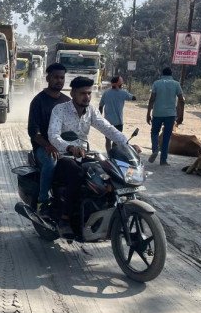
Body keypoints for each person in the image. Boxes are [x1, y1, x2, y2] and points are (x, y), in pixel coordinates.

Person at [48, 76, 141, 236]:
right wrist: (70, 147)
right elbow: (53, 135)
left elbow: (108, 128)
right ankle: (65, 218)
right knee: (77, 174)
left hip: (85, 154)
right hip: (64, 156)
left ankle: (101, 212)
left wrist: (127, 144)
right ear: (73, 93)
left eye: (89, 93)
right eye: (82, 93)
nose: (87, 97)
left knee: (108, 173)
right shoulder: (60, 110)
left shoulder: (90, 110)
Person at [27, 63, 69, 209]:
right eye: (55, 77)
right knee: (51, 161)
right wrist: (48, 146)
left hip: (64, 146)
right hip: (43, 147)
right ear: (48, 78)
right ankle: (42, 200)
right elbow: (33, 131)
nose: (59, 81)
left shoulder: (67, 101)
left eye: (62, 78)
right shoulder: (38, 101)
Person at [146, 67, 185, 166]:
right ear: (171, 74)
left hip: (157, 113)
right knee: (167, 136)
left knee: (154, 132)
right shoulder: (176, 84)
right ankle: (163, 160)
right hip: (170, 114)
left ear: (162, 74)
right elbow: (182, 100)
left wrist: (148, 113)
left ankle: (155, 149)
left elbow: (152, 99)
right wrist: (181, 115)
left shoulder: (156, 83)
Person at [98, 75, 136, 154]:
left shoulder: (106, 93)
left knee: (108, 140)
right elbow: (133, 98)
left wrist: (99, 117)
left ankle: (109, 155)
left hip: (107, 122)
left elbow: (100, 106)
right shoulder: (123, 93)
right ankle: (114, 155)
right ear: (119, 84)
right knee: (116, 141)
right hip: (118, 122)